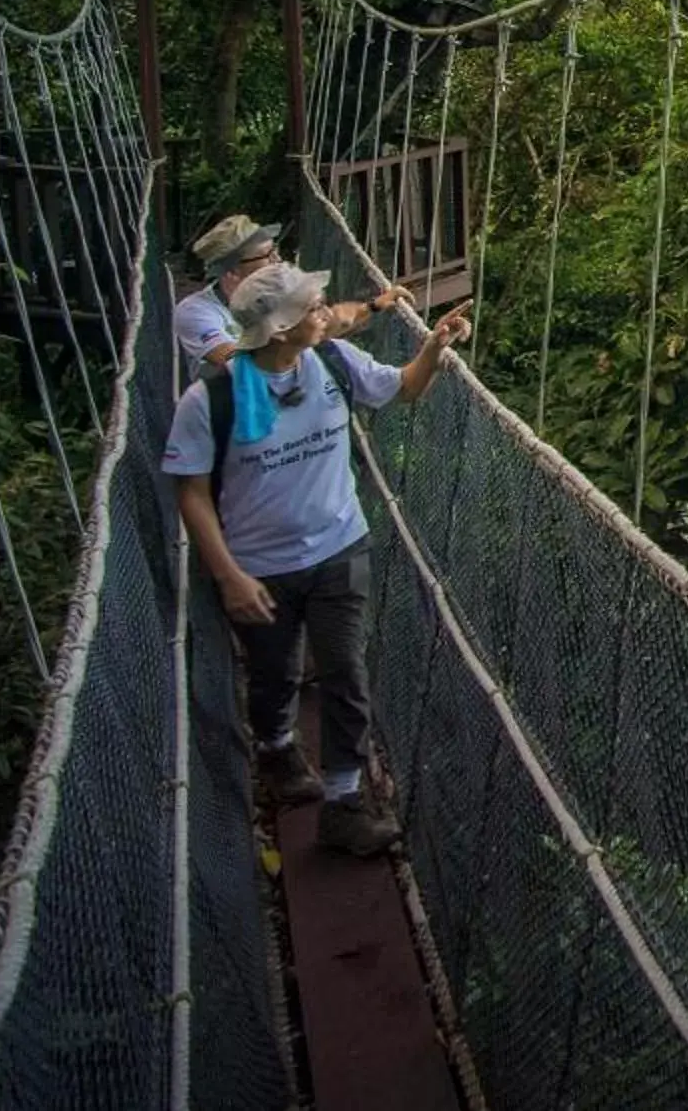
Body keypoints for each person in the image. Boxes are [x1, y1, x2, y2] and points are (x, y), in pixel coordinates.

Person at [165, 261, 470, 856]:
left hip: (340, 547)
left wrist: (433, 345)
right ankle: (277, 746)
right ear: (279, 330)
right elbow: (191, 491)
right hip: (260, 567)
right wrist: (228, 576)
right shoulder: (209, 401)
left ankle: (344, 802)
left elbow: (404, 388)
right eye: (311, 307)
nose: (324, 311)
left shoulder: (333, 361)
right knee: (274, 674)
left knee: (345, 674)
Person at [175, 214, 404, 371]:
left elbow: (328, 321)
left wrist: (373, 306)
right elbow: (232, 360)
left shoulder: (283, 294)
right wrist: (301, 335)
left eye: (276, 251)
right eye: (268, 255)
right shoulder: (196, 312)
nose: (278, 260)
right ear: (233, 271)